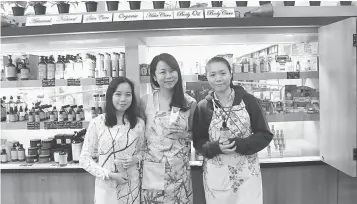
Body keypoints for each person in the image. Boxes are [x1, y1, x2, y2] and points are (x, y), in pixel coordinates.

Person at [192, 56, 273, 204]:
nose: (218, 79)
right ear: (207, 77)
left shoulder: (248, 101)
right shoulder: (203, 106)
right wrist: (216, 147)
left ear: (231, 74)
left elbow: (264, 134)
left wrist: (240, 144)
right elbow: (198, 142)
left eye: (223, 73)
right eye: (213, 74)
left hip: (247, 178)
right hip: (217, 178)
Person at [139, 53, 197, 204]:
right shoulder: (145, 101)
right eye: (162, 72)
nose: (169, 76)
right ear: (154, 76)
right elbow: (138, 136)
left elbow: (195, 134)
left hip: (180, 172)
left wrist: (184, 134)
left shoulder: (190, 102)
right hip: (153, 171)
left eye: (172, 70)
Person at [80, 77, 145, 204]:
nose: (123, 99)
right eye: (118, 94)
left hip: (131, 187)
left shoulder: (139, 124)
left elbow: (144, 150)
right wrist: (108, 174)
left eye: (128, 95)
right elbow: (84, 159)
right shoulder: (97, 123)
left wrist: (135, 159)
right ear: (110, 96)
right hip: (106, 187)